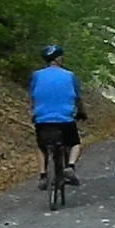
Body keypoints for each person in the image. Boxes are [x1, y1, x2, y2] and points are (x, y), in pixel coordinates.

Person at [29, 44, 87, 190]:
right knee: (75, 143)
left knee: (41, 146)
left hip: (43, 120)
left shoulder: (36, 75)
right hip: (65, 120)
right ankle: (71, 166)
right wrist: (81, 112)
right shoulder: (69, 75)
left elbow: (33, 96)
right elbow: (77, 98)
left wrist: (35, 112)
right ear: (59, 58)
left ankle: (42, 174)